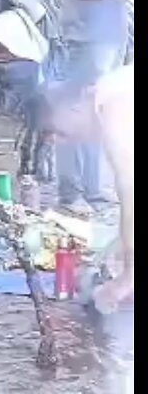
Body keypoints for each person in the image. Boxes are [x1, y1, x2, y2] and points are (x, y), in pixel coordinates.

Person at [56, 0, 134, 213]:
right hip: (87, 41)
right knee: (78, 115)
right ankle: (70, 195)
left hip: (107, 40)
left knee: (100, 116)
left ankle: (93, 189)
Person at [38, 65, 134, 313]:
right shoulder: (109, 90)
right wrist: (117, 247)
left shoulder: (115, 109)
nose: (61, 141)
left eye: (61, 132)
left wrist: (127, 277)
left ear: (75, 107)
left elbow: (130, 192)